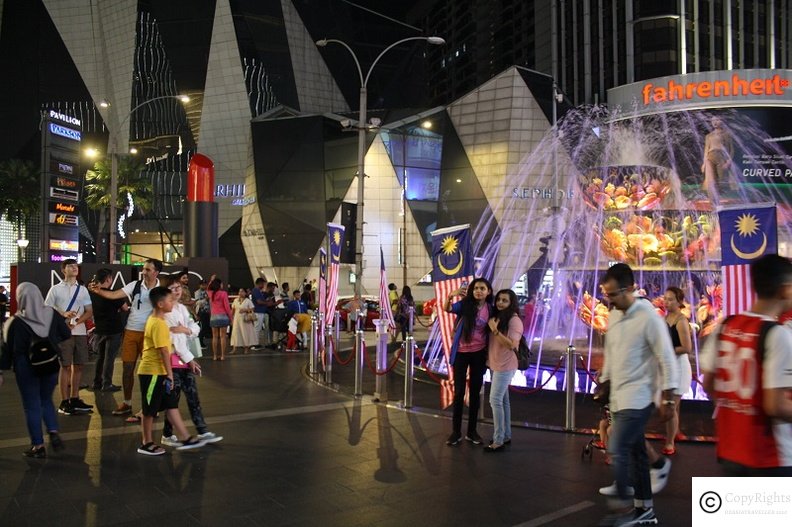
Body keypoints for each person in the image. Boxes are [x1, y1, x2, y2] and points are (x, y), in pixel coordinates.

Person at [598, 263, 677, 526]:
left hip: (639, 396)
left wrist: (668, 398)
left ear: (630, 288)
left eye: (613, 294)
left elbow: (666, 357)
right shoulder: (614, 315)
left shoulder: (649, 317)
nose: (609, 300)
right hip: (619, 395)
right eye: (606, 295)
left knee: (618, 447)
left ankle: (621, 508)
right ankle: (645, 509)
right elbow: (612, 352)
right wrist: (604, 381)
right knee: (635, 452)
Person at [702, 254, 792, 476]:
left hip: (730, 450)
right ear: (784, 290)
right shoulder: (777, 335)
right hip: (770, 456)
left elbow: (708, 384)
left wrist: (737, 407)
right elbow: (775, 406)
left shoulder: (726, 325)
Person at [0, 283, 71, 458]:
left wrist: (1, 371)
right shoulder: (52, 313)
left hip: (26, 367)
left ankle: (38, 445)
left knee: (31, 405)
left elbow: (7, 350)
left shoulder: (15, 322)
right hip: (50, 364)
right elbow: (66, 334)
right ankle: (53, 431)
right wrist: (51, 340)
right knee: (46, 399)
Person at [88, 258, 161, 418]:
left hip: (150, 334)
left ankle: (149, 406)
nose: (144, 272)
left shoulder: (161, 289)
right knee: (127, 369)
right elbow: (114, 294)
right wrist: (98, 291)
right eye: (143, 269)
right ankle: (127, 403)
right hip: (131, 331)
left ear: (156, 272)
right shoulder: (135, 285)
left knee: (149, 372)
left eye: (148, 269)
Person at [135, 286, 204, 455]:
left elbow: (171, 347)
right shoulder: (158, 323)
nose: (173, 303)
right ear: (160, 304)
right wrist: (170, 374)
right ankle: (146, 443)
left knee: (171, 405)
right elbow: (164, 351)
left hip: (160, 371)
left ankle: (186, 437)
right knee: (149, 410)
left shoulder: (160, 321)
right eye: (170, 300)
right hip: (152, 372)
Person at [160, 280, 223, 446]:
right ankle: (169, 434)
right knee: (173, 402)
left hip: (183, 359)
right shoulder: (165, 312)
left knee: (191, 398)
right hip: (172, 361)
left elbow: (194, 328)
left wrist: (186, 330)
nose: (177, 290)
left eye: (178, 287)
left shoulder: (182, 308)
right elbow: (175, 339)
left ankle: (201, 431)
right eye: (172, 288)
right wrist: (190, 358)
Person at [443, 277, 493, 446]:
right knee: (459, 393)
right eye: (476, 288)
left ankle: (472, 431)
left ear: (488, 292)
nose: (478, 291)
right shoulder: (465, 304)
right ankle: (456, 432)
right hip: (461, 353)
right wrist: (451, 295)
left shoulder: (490, 309)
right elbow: (447, 308)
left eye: (482, 288)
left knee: (475, 393)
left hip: (479, 354)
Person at [44, 258, 94, 415]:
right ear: (63, 270)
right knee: (65, 366)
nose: (74, 268)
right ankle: (64, 401)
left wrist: (77, 321)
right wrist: (63, 315)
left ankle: (75, 397)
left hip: (79, 331)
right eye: (70, 266)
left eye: (75, 266)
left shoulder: (83, 290)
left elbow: (89, 311)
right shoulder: (55, 289)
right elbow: (47, 308)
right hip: (63, 333)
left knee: (79, 365)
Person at [485, 289, 522, 452]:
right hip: (495, 364)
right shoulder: (498, 317)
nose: (500, 303)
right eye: (499, 299)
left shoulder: (514, 320)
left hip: (506, 365)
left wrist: (495, 330)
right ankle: (505, 435)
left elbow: (511, 344)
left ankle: (498, 439)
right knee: (503, 401)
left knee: (495, 400)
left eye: (505, 300)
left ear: (511, 303)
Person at [662, 286, 692, 455]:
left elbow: (687, 347)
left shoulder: (681, 321)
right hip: (670, 366)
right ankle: (675, 433)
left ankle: (669, 442)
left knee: (671, 406)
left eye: (671, 299)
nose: (666, 302)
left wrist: (667, 351)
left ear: (679, 301)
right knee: (673, 405)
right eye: (665, 299)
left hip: (679, 367)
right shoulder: (666, 318)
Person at [88, 268, 128, 392]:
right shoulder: (113, 294)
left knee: (100, 357)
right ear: (108, 279)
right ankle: (107, 383)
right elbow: (125, 308)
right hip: (113, 329)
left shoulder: (92, 294)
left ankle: (97, 382)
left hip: (99, 328)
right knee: (109, 358)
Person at [700, 116, 734, 201]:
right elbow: (706, 149)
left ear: (721, 121)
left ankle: (718, 198)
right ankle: (712, 200)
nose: (714, 122)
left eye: (717, 120)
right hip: (710, 157)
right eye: (713, 121)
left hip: (721, 157)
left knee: (720, 180)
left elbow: (731, 149)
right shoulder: (708, 136)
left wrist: (728, 161)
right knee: (710, 180)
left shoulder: (726, 134)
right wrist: (704, 163)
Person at [207, 277, 231, 360]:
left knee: (214, 337)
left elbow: (208, 288)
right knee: (223, 337)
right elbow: (227, 307)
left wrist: (211, 280)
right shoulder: (223, 293)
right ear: (219, 285)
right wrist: (231, 317)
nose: (222, 285)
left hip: (214, 317)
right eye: (221, 284)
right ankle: (222, 356)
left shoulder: (211, 293)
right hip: (223, 317)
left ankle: (214, 356)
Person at [230, 288, 257, 354]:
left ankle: (246, 348)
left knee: (245, 333)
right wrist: (231, 319)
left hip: (245, 320)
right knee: (235, 333)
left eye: (242, 291)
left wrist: (245, 310)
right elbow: (232, 310)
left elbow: (253, 308)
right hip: (236, 319)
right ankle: (234, 348)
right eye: (239, 291)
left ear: (245, 293)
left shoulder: (248, 301)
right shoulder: (235, 300)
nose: (240, 293)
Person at [194, 279, 211, 344]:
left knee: (206, 327)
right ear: (200, 285)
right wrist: (205, 299)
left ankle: (202, 341)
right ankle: (200, 342)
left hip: (208, 312)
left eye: (205, 284)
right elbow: (198, 303)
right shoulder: (197, 292)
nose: (204, 286)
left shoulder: (208, 292)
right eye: (202, 285)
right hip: (201, 312)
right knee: (202, 327)